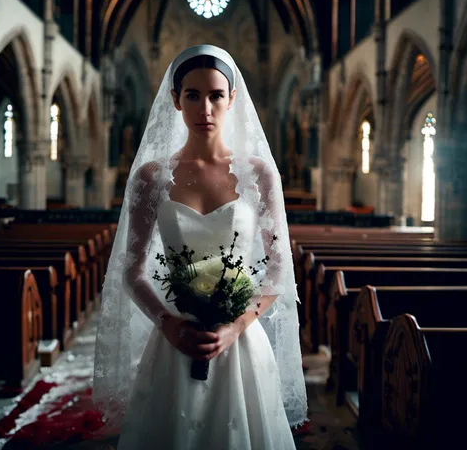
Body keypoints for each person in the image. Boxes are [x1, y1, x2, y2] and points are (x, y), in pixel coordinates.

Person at [93, 44, 308, 449]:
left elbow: (280, 268)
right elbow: (132, 268)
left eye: (215, 95)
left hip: (240, 340)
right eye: (192, 95)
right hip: (176, 335)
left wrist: (237, 325)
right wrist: (167, 322)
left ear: (232, 99)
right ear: (175, 100)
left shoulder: (259, 175)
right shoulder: (150, 177)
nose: (204, 108)